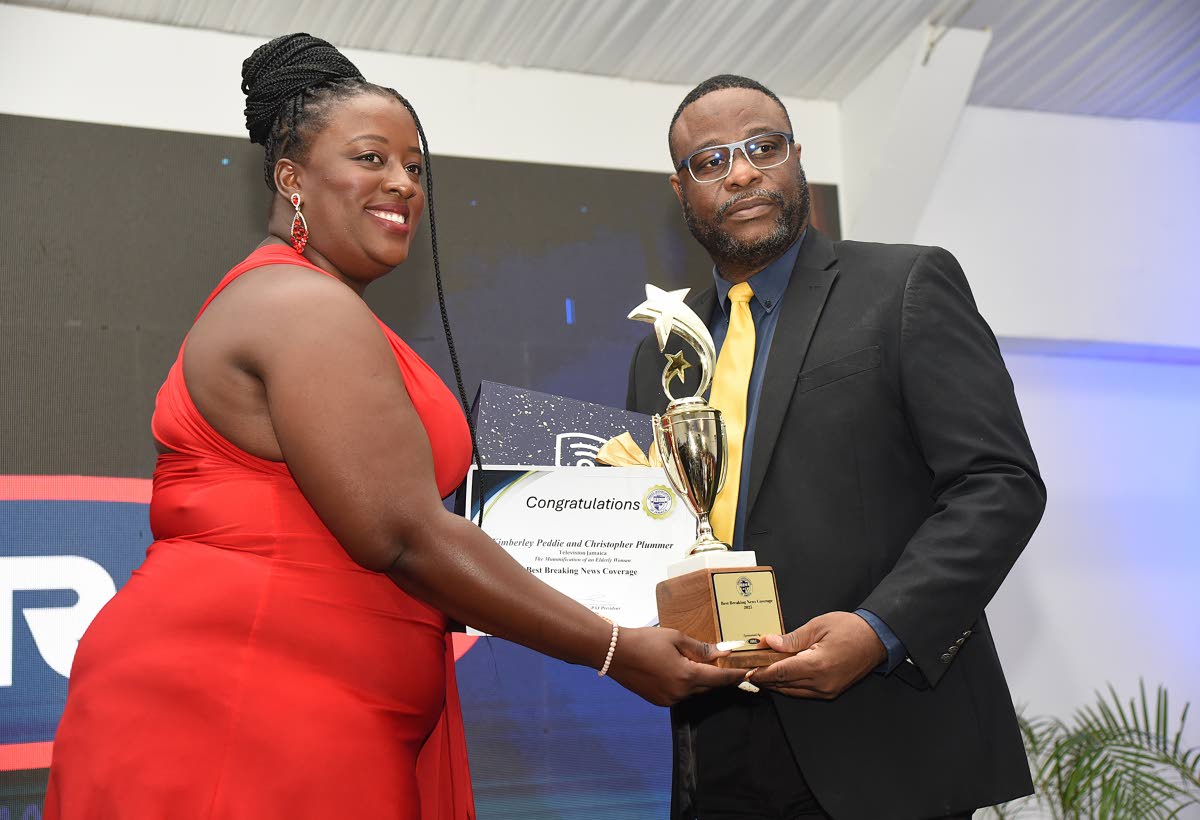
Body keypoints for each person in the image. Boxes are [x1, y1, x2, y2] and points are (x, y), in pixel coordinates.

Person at [44, 35, 745, 819]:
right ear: (291, 179)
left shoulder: (323, 308)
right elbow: (404, 538)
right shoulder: (299, 306)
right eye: (372, 158)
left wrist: (588, 559)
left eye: (416, 167)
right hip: (244, 701)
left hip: (316, 701)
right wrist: (613, 648)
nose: (403, 183)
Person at [627, 75, 1047, 820]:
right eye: (711, 160)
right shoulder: (664, 346)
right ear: (680, 189)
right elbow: (648, 522)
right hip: (713, 745)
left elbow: (999, 483)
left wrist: (878, 629)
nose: (744, 172)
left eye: (764, 147)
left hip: (882, 733)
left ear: (798, 161)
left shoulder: (904, 283)